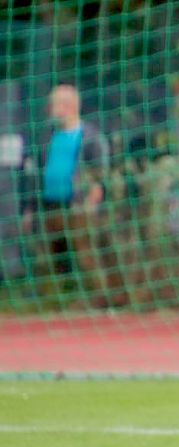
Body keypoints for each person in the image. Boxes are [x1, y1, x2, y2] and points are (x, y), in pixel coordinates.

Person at [21, 84, 121, 307]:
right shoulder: (46, 136)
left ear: (71, 105)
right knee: (48, 256)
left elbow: (99, 174)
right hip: (48, 206)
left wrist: (93, 197)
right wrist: (29, 207)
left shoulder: (91, 136)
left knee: (86, 254)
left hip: (78, 206)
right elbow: (35, 171)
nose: (52, 109)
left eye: (56, 104)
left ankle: (101, 301)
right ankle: (51, 303)